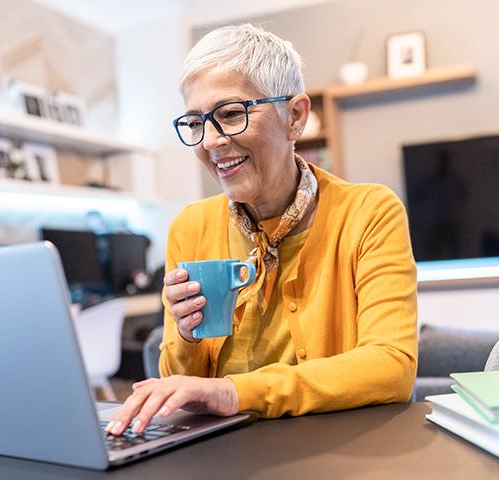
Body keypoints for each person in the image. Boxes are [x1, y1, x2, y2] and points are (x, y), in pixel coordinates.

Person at [105, 24, 417, 436]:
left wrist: (236, 392)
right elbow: (181, 380)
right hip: (222, 451)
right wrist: (185, 335)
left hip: (335, 445)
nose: (211, 142)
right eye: (196, 123)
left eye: (231, 114)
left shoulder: (368, 212)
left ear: (296, 116)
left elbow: (391, 366)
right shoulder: (191, 226)